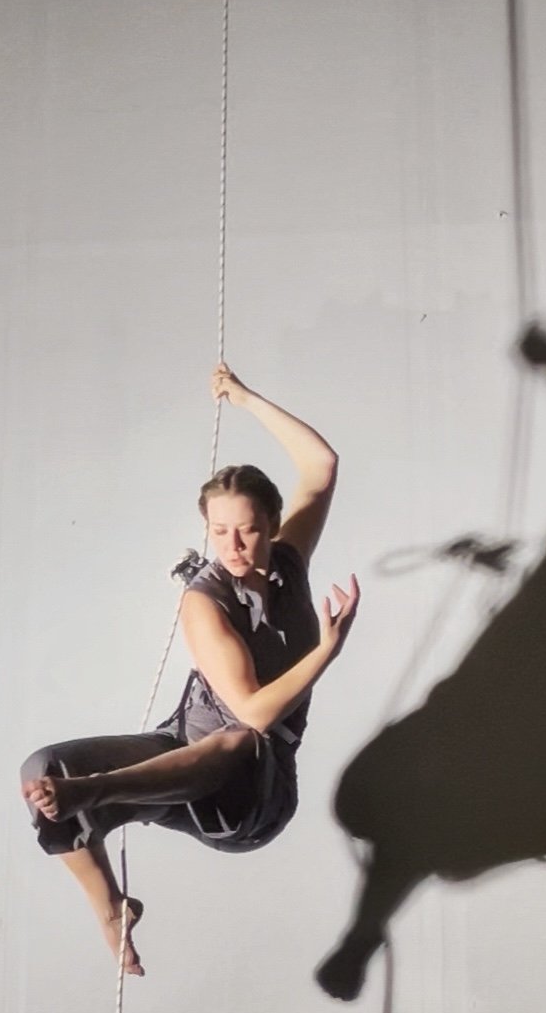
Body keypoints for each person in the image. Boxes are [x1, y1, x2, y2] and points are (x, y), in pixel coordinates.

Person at [20, 363, 359, 976]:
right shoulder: (204, 601)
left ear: (272, 525)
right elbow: (252, 703)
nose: (232, 546)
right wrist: (325, 651)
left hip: (253, 798)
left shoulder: (290, 562)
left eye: (247, 531)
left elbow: (322, 465)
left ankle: (93, 795)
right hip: (179, 759)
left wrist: (245, 398)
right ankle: (111, 911)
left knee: (238, 740)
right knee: (44, 767)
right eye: (219, 531)